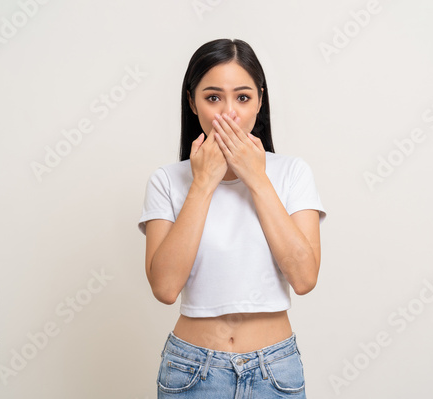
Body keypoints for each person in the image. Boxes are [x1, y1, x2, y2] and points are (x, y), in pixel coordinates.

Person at [138, 38, 326, 398]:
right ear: (192, 102)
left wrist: (256, 177)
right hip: (192, 371)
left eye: (242, 97)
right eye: (213, 98)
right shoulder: (167, 180)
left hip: (275, 372)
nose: (228, 113)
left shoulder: (293, 173)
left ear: (259, 100)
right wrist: (203, 184)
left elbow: (304, 278)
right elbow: (164, 288)